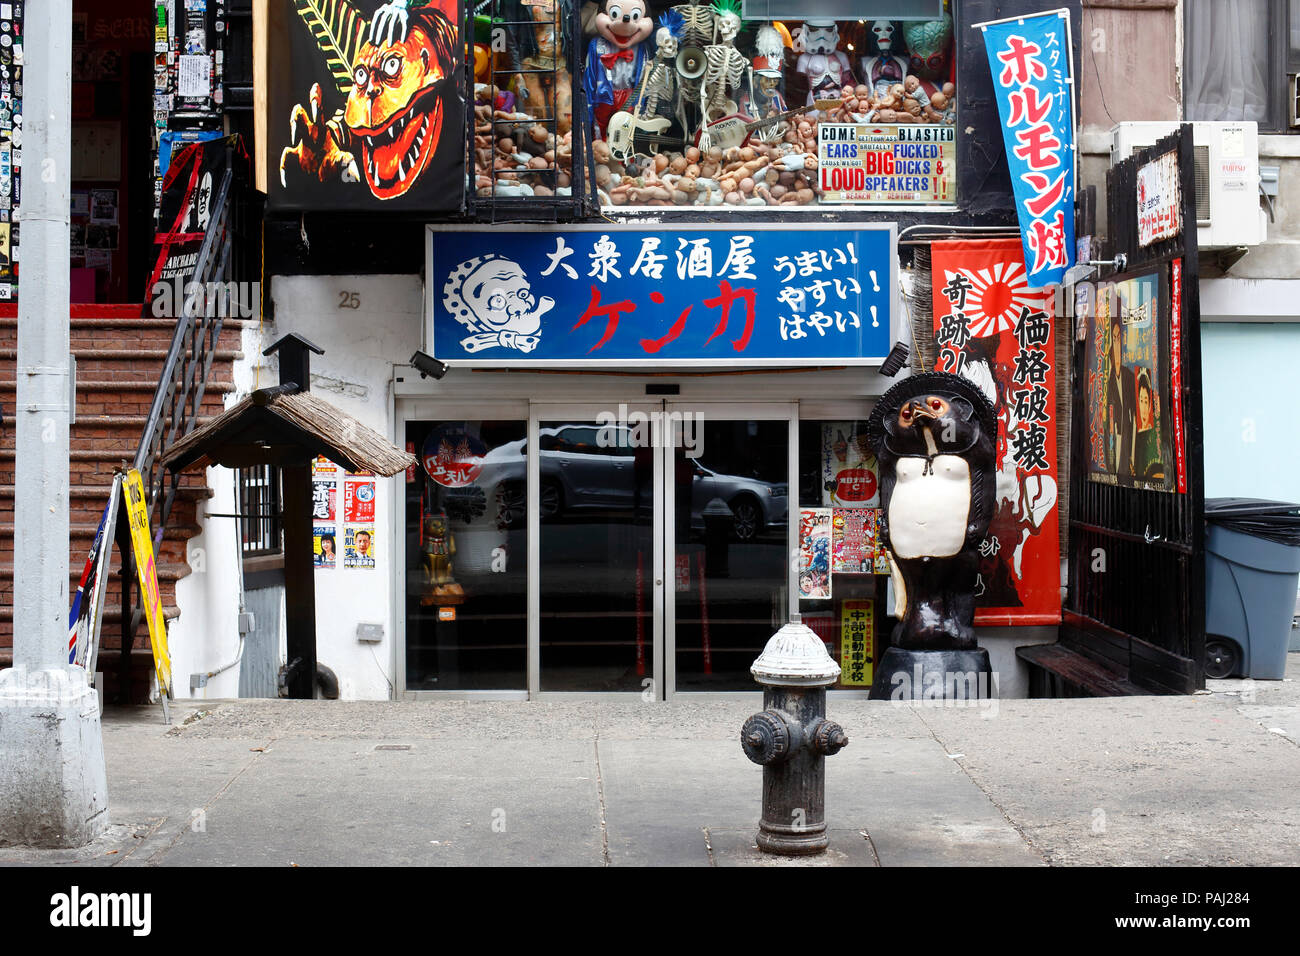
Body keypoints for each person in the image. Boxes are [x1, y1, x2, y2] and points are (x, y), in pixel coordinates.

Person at [1103, 312, 1136, 477]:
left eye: (1119, 339)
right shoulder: (1107, 382)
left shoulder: (1129, 376)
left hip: (1128, 440)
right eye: (1114, 339)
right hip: (1113, 441)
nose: (1116, 344)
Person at [1132, 368, 1164, 481]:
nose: (1144, 408)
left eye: (1146, 401)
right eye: (1141, 401)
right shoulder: (1136, 429)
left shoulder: (1157, 427)